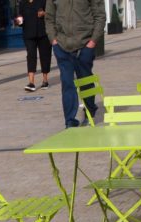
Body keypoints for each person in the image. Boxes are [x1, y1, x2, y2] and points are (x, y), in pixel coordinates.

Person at [45, 0, 106, 128]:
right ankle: (70, 120)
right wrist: (53, 40)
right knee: (67, 84)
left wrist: (93, 42)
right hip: (62, 46)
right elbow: (49, 18)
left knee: (86, 81)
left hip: (84, 45)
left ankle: (90, 111)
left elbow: (100, 16)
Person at [16, 0, 51, 92]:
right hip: (28, 35)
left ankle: (45, 80)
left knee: (45, 56)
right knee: (31, 56)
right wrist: (18, 21)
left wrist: (44, 13)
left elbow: (51, 14)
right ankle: (31, 83)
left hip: (43, 34)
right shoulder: (22, 3)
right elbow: (19, 19)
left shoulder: (43, 1)